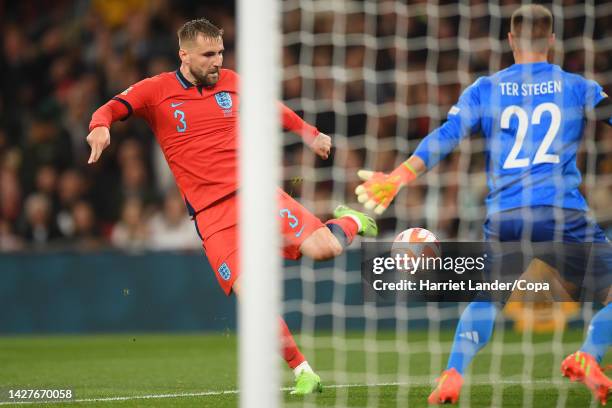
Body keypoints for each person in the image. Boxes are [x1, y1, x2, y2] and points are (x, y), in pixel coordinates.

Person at [86, 18, 378, 395]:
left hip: (256, 193)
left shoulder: (232, 82)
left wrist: (310, 133)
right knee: (253, 296)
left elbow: (271, 107)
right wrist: (100, 126)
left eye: (220, 52)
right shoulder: (156, 90)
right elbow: (111, 107)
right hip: (212, 217)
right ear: (184, 54)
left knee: (326, 250)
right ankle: (303, 370)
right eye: (209, 54)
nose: (217, 61)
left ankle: (350, 221)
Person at [354, 5, 611, 405]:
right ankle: (589, 356)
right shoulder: (577, 86)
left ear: (510, 40)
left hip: (505, 216)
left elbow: (447, 134)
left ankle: (453, 372)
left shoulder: (485, 88)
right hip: (562, 213)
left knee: (487, 297)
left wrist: (398, 177)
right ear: (553, 40)